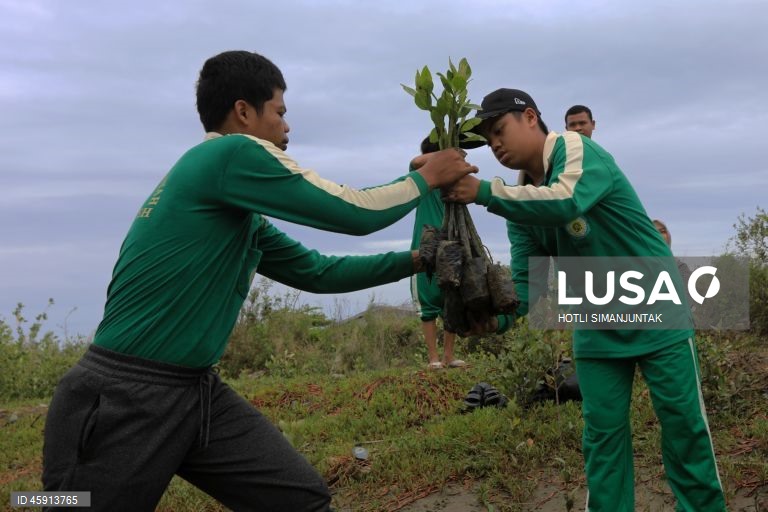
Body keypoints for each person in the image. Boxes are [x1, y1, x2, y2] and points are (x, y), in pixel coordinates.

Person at [41, 51, 476, 512]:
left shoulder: (235, 211)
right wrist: (426, 177)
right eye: (280, 113)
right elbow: (352, 211)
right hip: (124, 396)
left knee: (300, 500)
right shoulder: (229, 153)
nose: (287, 128)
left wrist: (418, 259)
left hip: (195, 393)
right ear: (243, 112)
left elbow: (317, 271)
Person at [445, 88, 725, 511]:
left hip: (658, 310)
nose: (495, 144)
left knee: (685, 429)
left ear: (531, 118)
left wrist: (484, 191)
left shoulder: (576, 149)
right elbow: (528, 288)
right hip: (596, 326)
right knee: (603, 439)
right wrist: (493, 322)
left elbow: (567, 200)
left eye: (499, 130)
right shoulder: (520, 205)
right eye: (488, 140)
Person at [409, 135, 482, 370]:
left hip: (452, 241)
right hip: (426, 244)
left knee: (451, 299)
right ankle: (433, 358)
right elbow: (415, 161)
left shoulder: (455, 182)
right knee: (427, 303)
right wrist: (447, 157)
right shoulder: (420, 179)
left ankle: (448, 356)